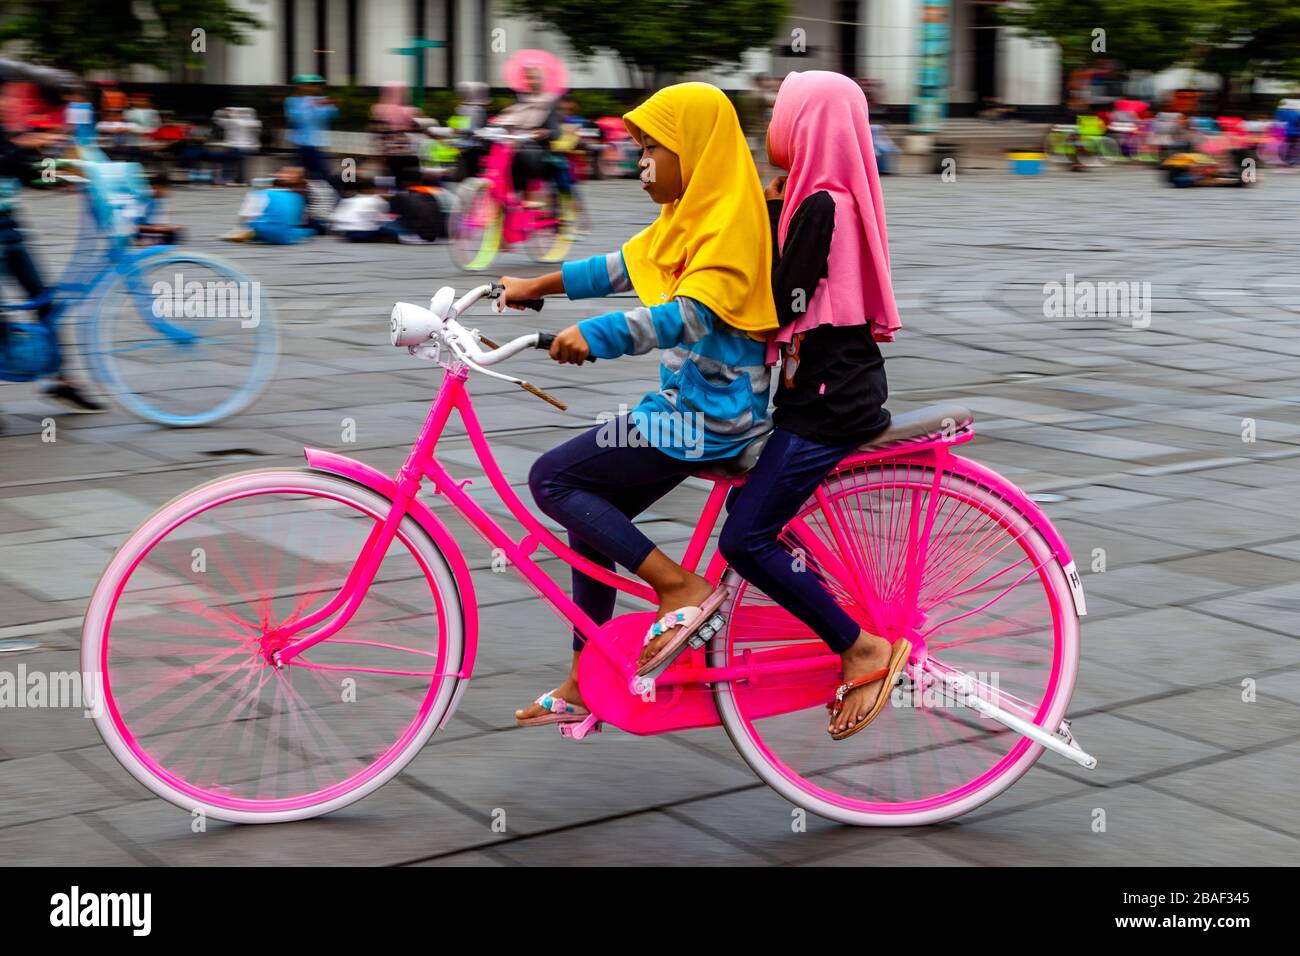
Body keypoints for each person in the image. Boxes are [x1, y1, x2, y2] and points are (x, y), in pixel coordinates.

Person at [498, 82, 778, 726]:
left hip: (711, 417)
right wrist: (535, 284)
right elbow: (623, 265)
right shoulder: (691, 214)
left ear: (696, 150)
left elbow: (686, 315)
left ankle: (680, 587)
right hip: (690, 405)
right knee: (591, 517)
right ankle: (583, 675)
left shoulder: (731, 227)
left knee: (553, 477)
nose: (641, 161)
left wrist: (592, 337)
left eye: (653, 147)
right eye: (639, 147)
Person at [719, 71, 906, 741]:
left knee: (743, 538)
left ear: (808, 125)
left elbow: (781, 301)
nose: (774, 123)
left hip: (827, 404)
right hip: (831, 391)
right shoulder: (824, 198)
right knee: (750, 510)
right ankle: (829, 610)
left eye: (781, 111)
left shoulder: (822, 205)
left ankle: (859, 646)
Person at [0, 58, 103, 415]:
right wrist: (60, 169)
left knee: (46, 301)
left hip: (9, 228)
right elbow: (17, 167)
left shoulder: (6, 131)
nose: (11, 102)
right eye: (5, 95)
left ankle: (62, 380)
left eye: (12, 95)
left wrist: (64, 171)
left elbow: (25, 172)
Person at [284, 75, 336, 183]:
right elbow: (297, 118)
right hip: (301, 144)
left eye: (317, 85)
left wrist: (328, 105)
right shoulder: (292, 101)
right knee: (299, 176)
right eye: (311, 85)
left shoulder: (323, 100)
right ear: (301, 87)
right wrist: (311, 105)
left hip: (317, 144)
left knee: (323, 175)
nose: (315, 87)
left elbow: (332, 114)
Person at [370, 81, 421, 180]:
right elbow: (418, 128)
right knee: (407, 182)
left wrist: (378, 155)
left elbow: (376, 134)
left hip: (387, 155)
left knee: (388, 182)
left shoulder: (377, 110)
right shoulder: (410, 111)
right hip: (406, 154)